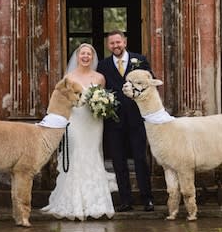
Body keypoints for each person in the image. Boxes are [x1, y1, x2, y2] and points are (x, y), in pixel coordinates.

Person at [41, 43, 117, 221]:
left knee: (93, 155)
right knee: (77, 155)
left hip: (93, 122)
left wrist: (103, 104)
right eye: (82, 54)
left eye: (88, 54)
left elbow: (104, 98)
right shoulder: (69, 77)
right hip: (75, 121)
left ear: (92, 57)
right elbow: (61, 100)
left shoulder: (99, 78)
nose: (85, 57)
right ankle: (74, 203)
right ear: (77, 56)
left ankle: (97, 203)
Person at [97, 30, 154, 212]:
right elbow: (100, 90)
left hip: (137, 118)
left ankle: (147, 199)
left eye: (118, 42)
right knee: (118, 161)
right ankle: (126, 200)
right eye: (112, 43)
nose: (116, 46)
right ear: (108, 45)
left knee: (140, 159)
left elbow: (149, 84)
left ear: (125, 42)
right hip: (114, 122)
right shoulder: (103, 66)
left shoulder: (140, 60)